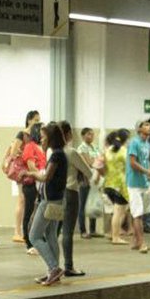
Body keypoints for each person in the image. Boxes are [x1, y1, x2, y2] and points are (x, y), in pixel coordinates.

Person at [24, 123, 69, 286]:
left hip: (50, 202)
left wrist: (28, 173)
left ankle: (53, 267)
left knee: (34, 236)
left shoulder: (57, 155)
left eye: (43, 137)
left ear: (51, 138)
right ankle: (53, 271)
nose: (41, 139)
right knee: (50, 236)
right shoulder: (58, 154)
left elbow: (46, 177)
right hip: (57, 200)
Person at [59, 121, 92, 276]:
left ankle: (53, 267)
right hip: (70, 193)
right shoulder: (71, 152)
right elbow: (88, 171)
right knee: (67, 232)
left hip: (55, 194)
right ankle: (68, 266)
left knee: (54, 233)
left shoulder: (53, 152)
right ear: (69, 134)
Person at [127, 118, 150, 254]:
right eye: (146, 124)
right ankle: (141, 243)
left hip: (145, 182)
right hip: (134, 183)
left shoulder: (147, 144)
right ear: (139, 129)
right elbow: (133, 163)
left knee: (142, 214)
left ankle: (135, 241)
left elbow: (148, 160)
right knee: (137, 214)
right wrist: (146, 172)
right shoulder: (134, 142)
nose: (149, 127)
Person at [103, 129, 131, 246]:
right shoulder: (124, 151)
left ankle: (114, 233)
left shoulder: (108, 150)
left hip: (109, 183)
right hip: (120, 185)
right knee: (119, 212)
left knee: (118, 211)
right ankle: (116, 237)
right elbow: (129, 168)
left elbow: (103, 165)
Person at [21, 129, 46, 255]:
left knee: (38, 214)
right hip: (31, 183)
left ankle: (38, 241)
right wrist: (41, 175)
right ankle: (28, 242)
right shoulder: (30, 146)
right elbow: (31, 166)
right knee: (29, 213)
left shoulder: (43, 147)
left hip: (42, 183)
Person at [77, 127, 103, 238]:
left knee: (93, 204)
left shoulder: (95, 147)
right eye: (88, 134)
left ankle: (92, 230)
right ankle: (83, 230)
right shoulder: (81, 148)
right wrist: (96, 162)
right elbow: (87, 163)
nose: (91, 136)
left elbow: (101, 161)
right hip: (85, 179)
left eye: (92, 134)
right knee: (82, 205)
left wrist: (96, 162)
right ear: (83, 136)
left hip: (97, 179)